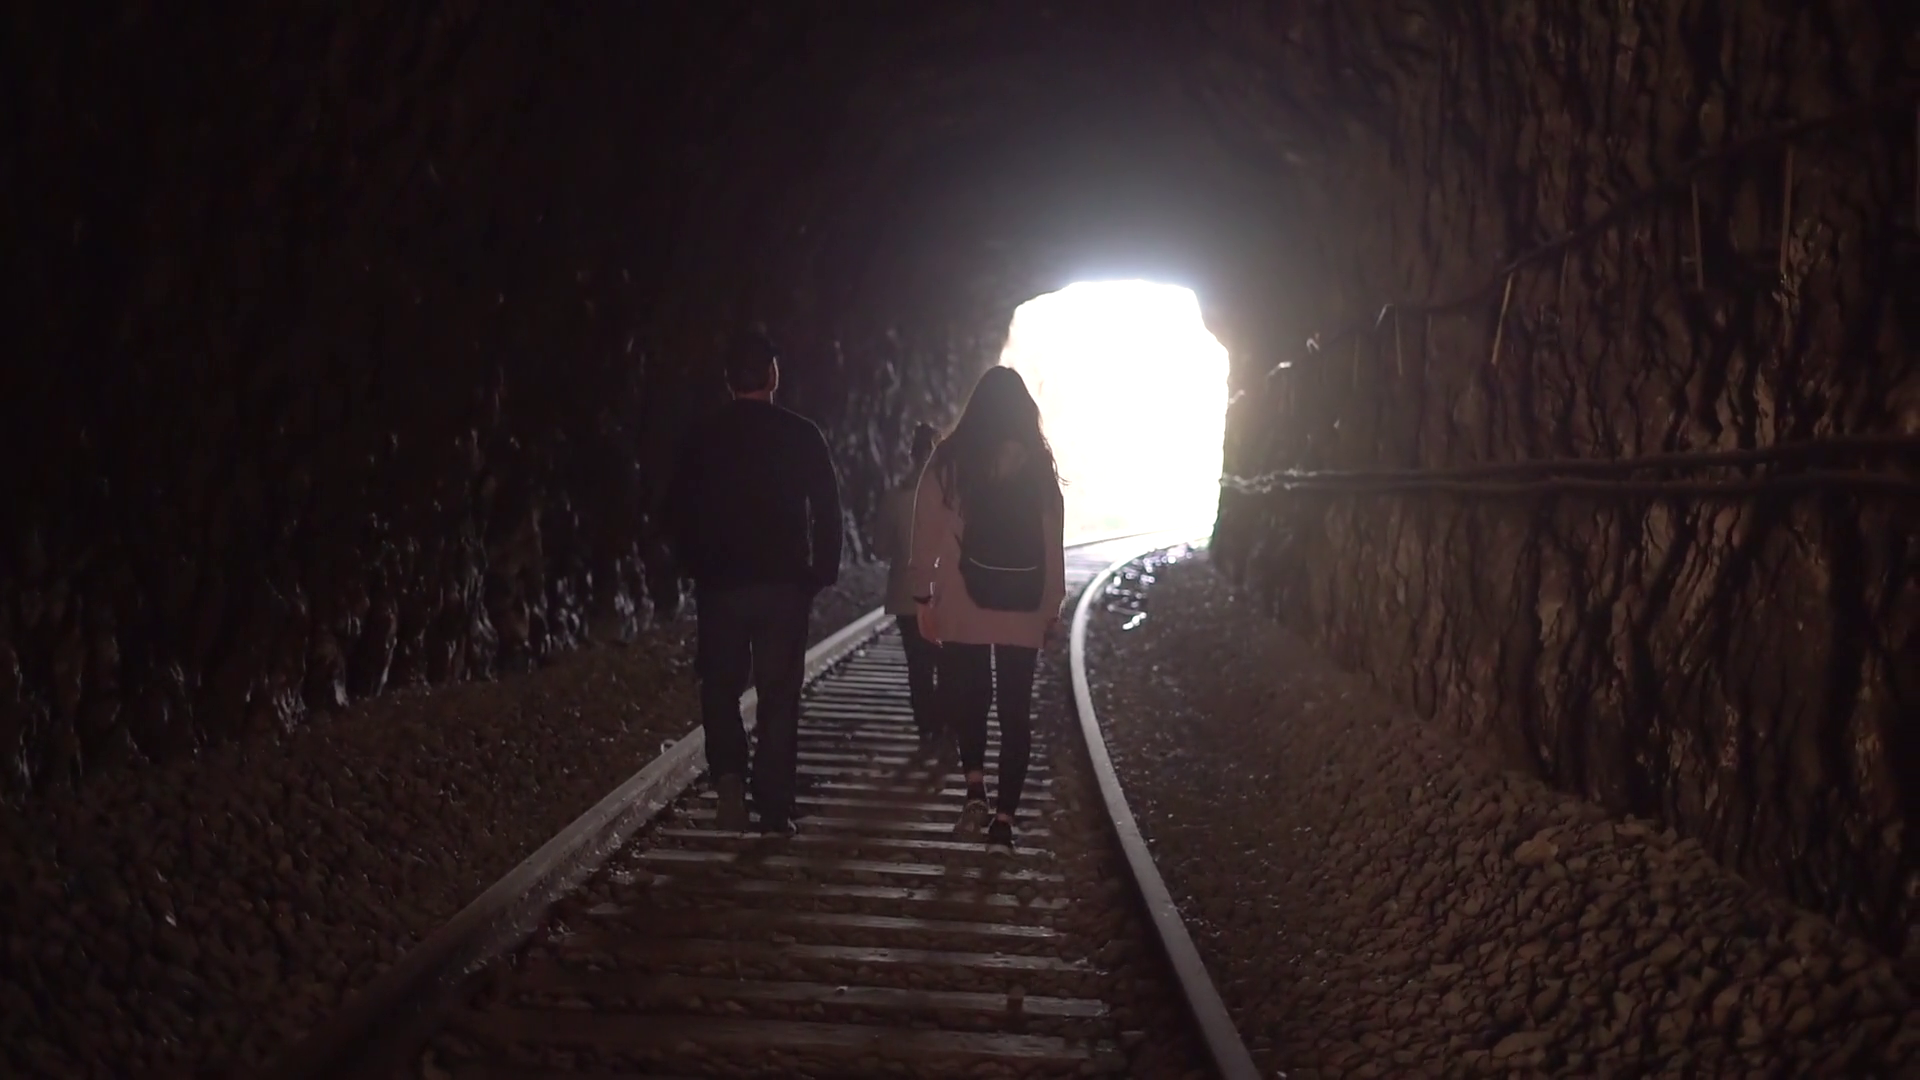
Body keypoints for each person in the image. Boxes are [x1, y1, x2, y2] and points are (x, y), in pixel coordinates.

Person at [663, 332, 842, 835]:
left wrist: (693, 565)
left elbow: (676, 509)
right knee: (778, 694)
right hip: (783, 584)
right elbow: (828, 509)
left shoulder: (703, 436)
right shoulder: (802, 434)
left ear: (728, 380)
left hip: (721, 585)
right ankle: (775, 806)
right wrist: (821, 573)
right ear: (772, 375)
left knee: (720, 688)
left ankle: (728, 782)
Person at [907, 366, 1065, 852]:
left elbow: (924, 532)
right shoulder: (1038, 465)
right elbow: (1052, 543)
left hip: (963, 602)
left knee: (970, 698)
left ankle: (974, 787)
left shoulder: (950, 460)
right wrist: (1052, 607)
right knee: (1016, 711)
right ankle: (1004, 822)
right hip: (1023, 603)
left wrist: (922, 597)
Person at [873, 422, 942, 757]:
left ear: (912, 455)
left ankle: (927, 727)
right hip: (945, 594)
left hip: (906, 594)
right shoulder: (954, 497)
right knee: (948, 664)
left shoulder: (895, 497)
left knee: (918, 666)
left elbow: (881, 548)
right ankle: (946, 726)